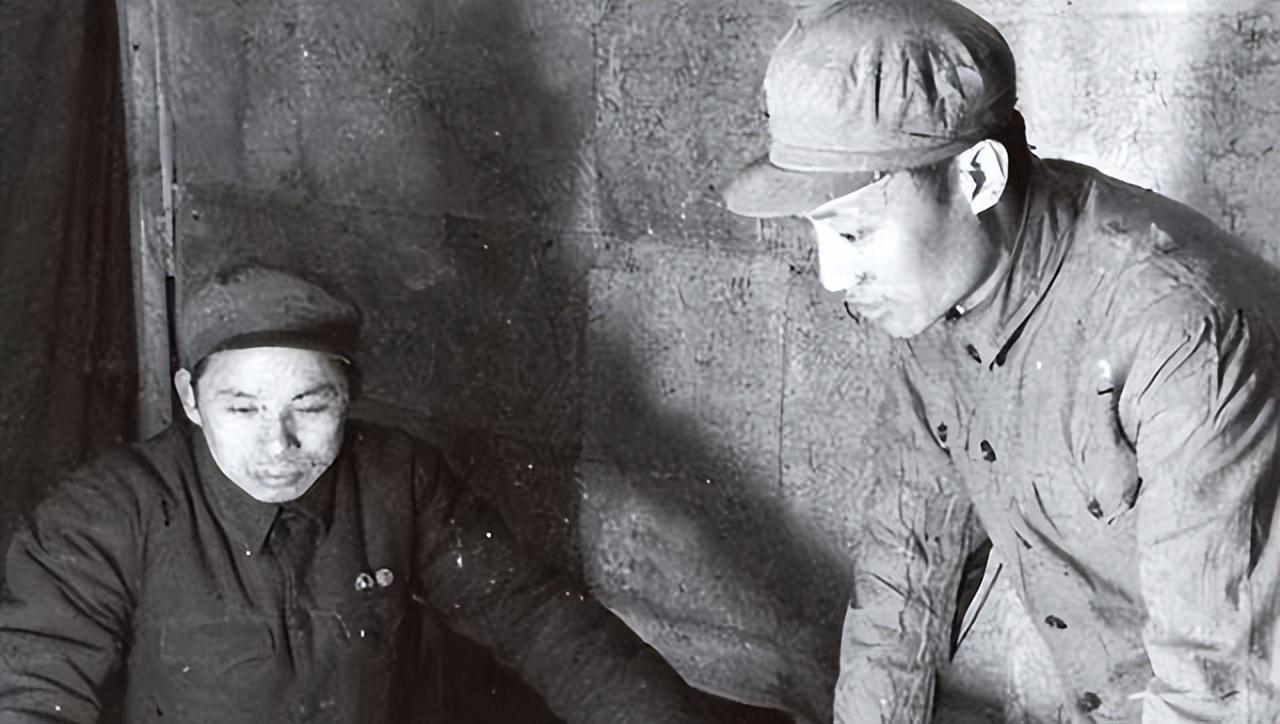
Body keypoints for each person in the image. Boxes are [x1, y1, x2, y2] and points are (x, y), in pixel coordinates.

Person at [724, 0, 1280, 722]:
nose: (832, 276)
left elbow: (1222, 690)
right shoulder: (938, 306)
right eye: (817, 233)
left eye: (855, 234)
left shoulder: (1180, 331)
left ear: (978, 178)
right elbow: (905, 581)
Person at [0, 265, 721, 723]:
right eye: (243, 408)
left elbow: (537, 620)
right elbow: (32, 688)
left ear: (351, 396)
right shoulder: (102, 515)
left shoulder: (400, 477)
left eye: (310, 406)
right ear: (190, 399)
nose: (278, 445)